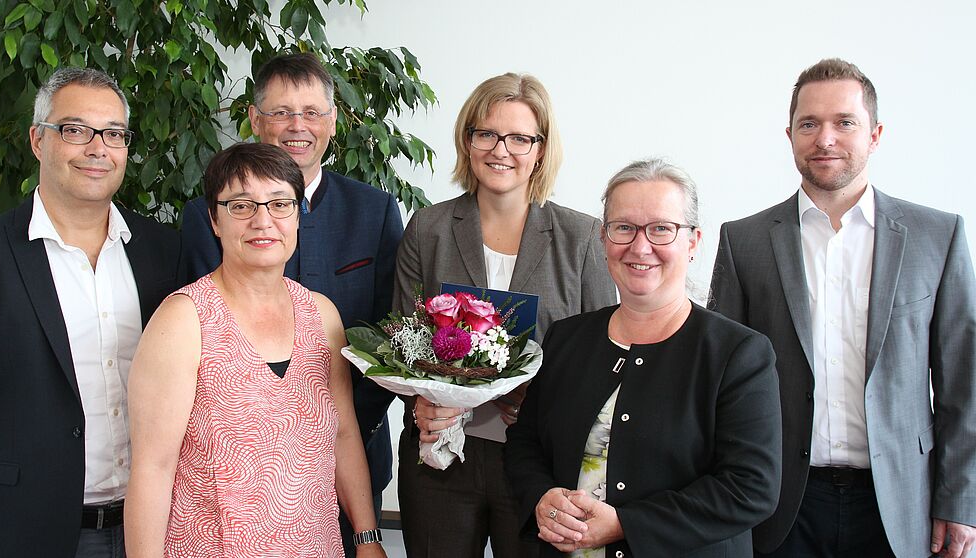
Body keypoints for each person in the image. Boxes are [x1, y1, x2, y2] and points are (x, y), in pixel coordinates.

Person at [708, 58, 976, 558]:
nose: (824, 139)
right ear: (789, 135)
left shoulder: (937, 237)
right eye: (809, 124)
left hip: (901, 501)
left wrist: (962, 500)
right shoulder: (742, 241)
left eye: (844, 123)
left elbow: (965, 382)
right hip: (780, 502)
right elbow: (720, 384)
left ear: (875, 135)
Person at [178, 52, 402, 554]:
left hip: (352, 453)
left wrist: (336, 428)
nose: (297, 126)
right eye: (280, 112)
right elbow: (198, 341)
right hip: (231, 479)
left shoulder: (375, 210)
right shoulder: (206, 215)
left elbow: (393, 335)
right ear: (255, 120)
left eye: (312, 112)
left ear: (333, 121)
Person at [504, 159, 782, 557]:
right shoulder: (567, 338)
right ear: (603, 238)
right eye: (624, 228)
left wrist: (624, 525)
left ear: (692, 242)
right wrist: (540, 496)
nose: (639, 246)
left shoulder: (738, 354)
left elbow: (750, 488)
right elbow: (524, 442)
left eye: (661, 229)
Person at [393, 72, 616, 557]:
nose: (501, 149)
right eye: (487, 134)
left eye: (519, 137)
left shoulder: (581, 239)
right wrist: (422, 401)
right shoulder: (428, 228)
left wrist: (541, 402)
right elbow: (399, 343)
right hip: (440, 458)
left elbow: (604, 359)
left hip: (539, 464)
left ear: (541, 149)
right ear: (467, 140)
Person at [125, 142, 385, 557]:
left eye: (280, 204)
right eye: (241, 206)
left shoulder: (322, 315)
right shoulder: (183, 321)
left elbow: (343, 433)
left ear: (298, 216)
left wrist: (367, 536)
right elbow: (152, 470)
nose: (263, 221)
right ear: (214, 219)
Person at [0, 67, 179, 557]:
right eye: (75, 130)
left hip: (153, 525)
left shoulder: (162, 251)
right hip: (24, 529)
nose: (98, 149)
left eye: (114, 134)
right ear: (37, 139)